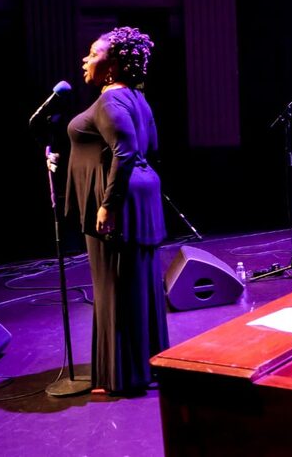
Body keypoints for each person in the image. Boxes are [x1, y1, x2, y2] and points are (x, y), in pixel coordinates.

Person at [66, 26, 169, 396]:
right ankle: (148, 364)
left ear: (112, 67)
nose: (85, 60)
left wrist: (107, 206)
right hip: (141, 195)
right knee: (138, 285)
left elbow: (125, 152)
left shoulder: (110, 101)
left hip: (121, 201)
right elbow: (149, 146)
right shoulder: (136, 99)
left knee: (113, 287)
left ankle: (122, 377)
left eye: (93, 54)